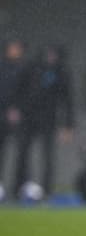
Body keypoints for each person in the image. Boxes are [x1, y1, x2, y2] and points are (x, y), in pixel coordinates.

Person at [12, 43, 74, 200]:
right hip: (28, 117)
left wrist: (68, 125)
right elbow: (17, 90)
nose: (51, 57)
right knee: (22, 153)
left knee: (48, 156)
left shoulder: (62, 73)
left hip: (48, 119)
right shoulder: (31, 68)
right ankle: (18, 188)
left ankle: (47, 191)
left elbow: (68, 101)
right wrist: (15, 109)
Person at [0, 37, 27, 201]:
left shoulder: (25, 69)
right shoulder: (2, 68)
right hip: (2, 116)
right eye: (12, 47)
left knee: (22, 153)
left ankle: (20, 186)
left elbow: (28, 93)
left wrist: (18, 109)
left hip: (21, 118)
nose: (15, 51)